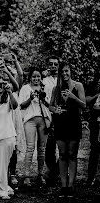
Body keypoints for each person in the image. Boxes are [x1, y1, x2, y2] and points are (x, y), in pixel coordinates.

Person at [49, 62, 86, 198]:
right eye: (62, 72)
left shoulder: (78, 86)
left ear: (70, 71)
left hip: (73, 123)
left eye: (66, 71)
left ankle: (71, 186)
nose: (64, 74)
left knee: (72, 153)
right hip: (60, 124)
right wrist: (55, 110)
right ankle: (63, 186)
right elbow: (51, 106)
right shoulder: (56, 88)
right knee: (62, 154)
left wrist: (73, 97)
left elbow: (84, 104)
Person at [18, 68, 51, 186]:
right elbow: (21, 105)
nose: (36, 79)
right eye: (34, 77)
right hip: (30, 120)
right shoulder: (25, 88)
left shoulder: (45, 88)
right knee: (30, 147)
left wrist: (43, 98)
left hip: (43, 119)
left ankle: (40, 174)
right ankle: (26, 175)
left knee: (42, 149)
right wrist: (30, 98)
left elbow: (50, 105)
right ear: (30, 78)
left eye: (38, 77)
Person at [42, 55, 60, 185]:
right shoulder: (43, 80)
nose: (53, 66)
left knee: (64, 146)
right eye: (51, 64)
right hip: (48, 115)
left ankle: (56, 171)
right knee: (50, 147)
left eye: (55, 64)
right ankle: (51, 173)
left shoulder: (63, 79)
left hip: (62, 115)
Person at [86, 75, 100, 186]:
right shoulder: (94, 83)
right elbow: (86, 100)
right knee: (94, 148)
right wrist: (96, 95)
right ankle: (91, 177)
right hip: (95, 122)